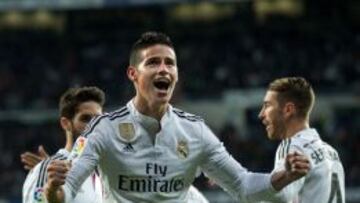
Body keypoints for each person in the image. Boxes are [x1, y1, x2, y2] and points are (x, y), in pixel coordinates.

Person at [44, 31, 310, 203]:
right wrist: (54, 188)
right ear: (133, 74)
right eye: (153, 63)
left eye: (169, 63)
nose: (164, 69)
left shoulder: (196, 131)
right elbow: (65, 192)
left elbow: (242, 185)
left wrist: (284, 174)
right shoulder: (104, 129)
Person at [258, 77, 345, 203]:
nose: (261, 114)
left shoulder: (293, 147)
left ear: (288, 110)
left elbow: (279, 196)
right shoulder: (331, 152)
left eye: (267, 105)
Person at [22, 86, 105, 203]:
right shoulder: (48, 169)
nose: (93, 126)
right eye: (85, 119)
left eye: (98, 120)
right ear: (66, 124)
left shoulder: (102, 174)